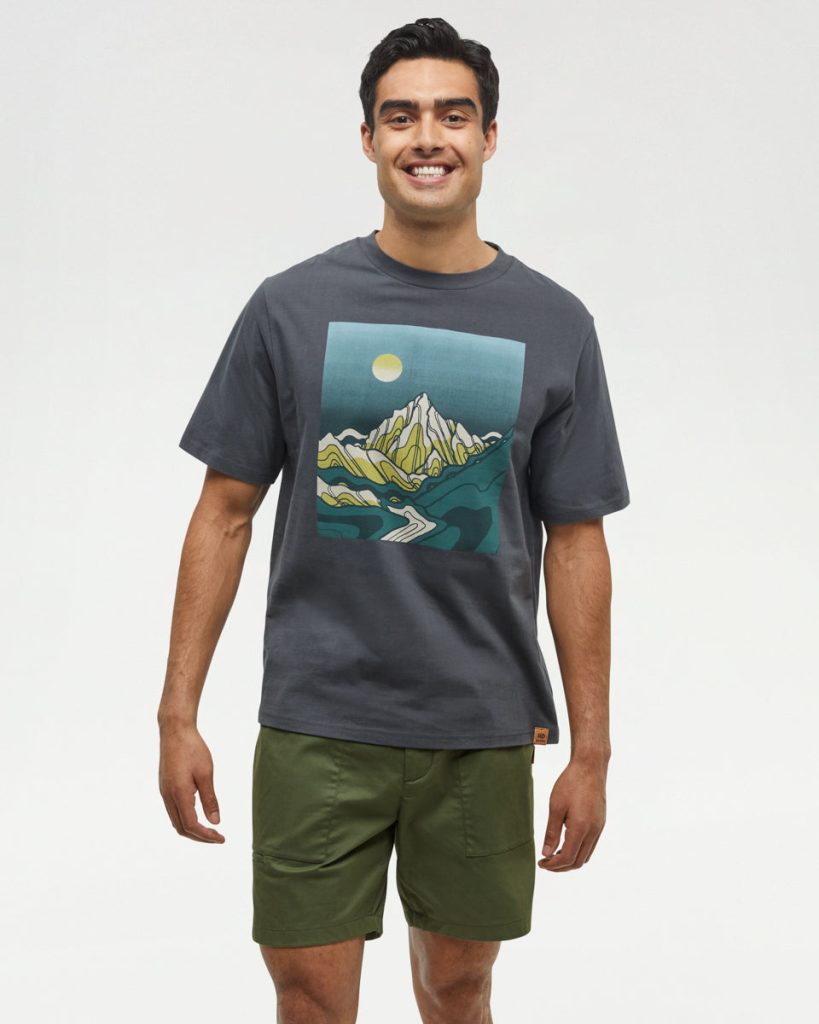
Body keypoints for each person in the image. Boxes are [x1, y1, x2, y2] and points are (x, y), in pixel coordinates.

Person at [157, 16, 630, 1023]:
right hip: (316, 723)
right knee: (309, 995)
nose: (428, 137)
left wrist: (590, 751)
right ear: (368, 138)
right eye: (401, 115)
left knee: (459, 987)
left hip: (482, 729)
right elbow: (223, 512)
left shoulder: (556, 323)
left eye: (453, 116)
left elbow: (577, 543)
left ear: (488, 137)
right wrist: (176, 715)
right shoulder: (290, 307)